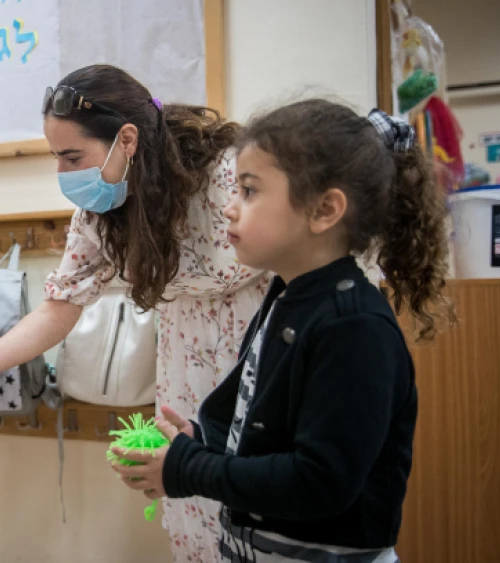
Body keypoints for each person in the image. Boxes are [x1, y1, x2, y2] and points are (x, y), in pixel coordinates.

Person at [0, 64, 269, 561]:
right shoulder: (100, 214)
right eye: (56, 157)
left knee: (265, 504)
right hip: (187, 362)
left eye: (72, 155)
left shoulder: (227, 176)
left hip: (263, 347)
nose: (63, 173)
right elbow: (58, 309)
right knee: (198, 511)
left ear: (127, 139)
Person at [112, 100, 454, 561]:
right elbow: (261, 419)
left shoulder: (353, 326)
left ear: (324, 210)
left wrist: (188, 468)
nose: (229, 209)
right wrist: (201, 438)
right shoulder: (285, 296)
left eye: (249, 192)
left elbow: (318, 482)